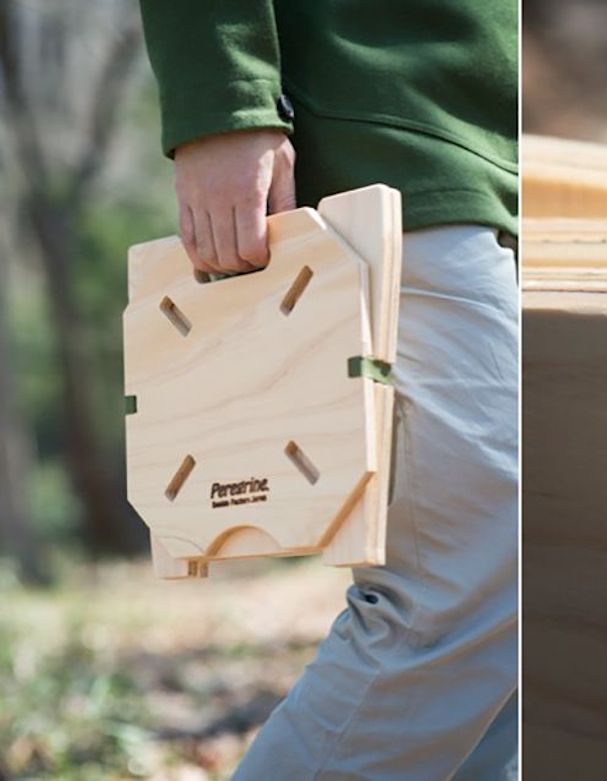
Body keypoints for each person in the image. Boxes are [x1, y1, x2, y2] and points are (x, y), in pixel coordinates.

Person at [137, 2, 519, 778]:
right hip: (379, 122)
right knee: (466, 578)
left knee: (504, 666)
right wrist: (224, 98)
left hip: (488, 136)